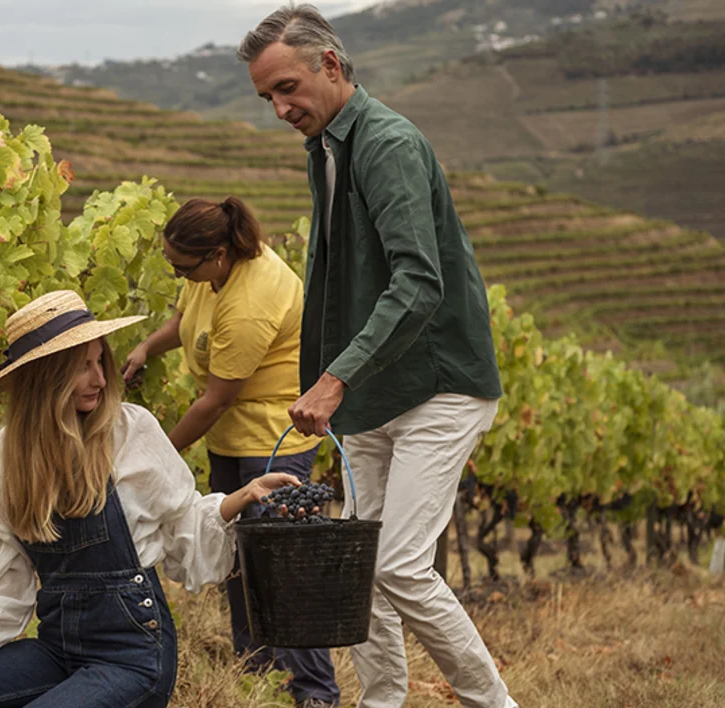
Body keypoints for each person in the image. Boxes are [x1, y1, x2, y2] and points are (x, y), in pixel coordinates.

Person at [236, 6, 517, 708]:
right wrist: (338, 383)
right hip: (373, 394)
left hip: (437, 385)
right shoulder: (327, 148)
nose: (280, 108)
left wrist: (332, 380)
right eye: (267, 96)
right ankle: (381, 702)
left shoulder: (384, 143)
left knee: (398, 566)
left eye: (288, 87)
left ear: (330, 65)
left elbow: (419, 284)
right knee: (362, 571)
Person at [0, 290, 302, 708]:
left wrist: (242, 496)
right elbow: (1, 589)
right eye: (82, 368)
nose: (100, 379)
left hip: (134, 657)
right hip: (56, 651)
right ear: (45, 376)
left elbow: (184, 525)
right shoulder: (0, 460)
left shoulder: (131, 432)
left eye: (100, 362)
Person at [122, 196, 340, 708]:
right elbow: (186, 319)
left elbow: (216, 401)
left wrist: (153, 451)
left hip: (272, 441)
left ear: (217, 255)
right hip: (231, 440)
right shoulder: (213, 273)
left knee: (279, 568)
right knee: (234, 556)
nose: (176, 274)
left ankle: (315, 693)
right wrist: (148, 346)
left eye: (182, 266)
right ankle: (257, 673)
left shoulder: (252, 298)